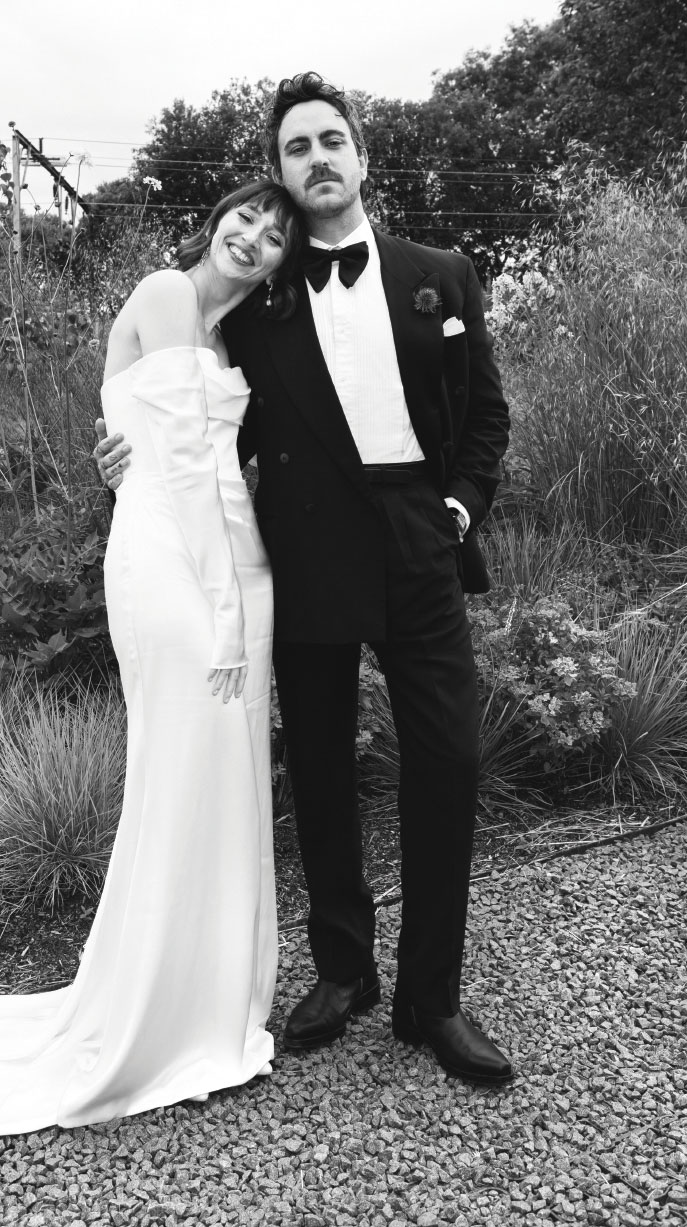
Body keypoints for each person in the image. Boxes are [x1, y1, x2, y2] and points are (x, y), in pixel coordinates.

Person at [0, 178, 306, 1141]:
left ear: (285, 257)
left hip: (239, 563)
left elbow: (186, 444)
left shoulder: (234, 338)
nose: (252, 236)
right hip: (179, 568)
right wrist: (224, 615)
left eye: (274, 235)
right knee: (177, 767)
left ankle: (211, 1002)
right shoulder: (166, 295)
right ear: (215, 220)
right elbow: (182, 468)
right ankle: (154, 1013)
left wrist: (238, 580)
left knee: (225, 776)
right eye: (243, 216)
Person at [96, 72, 513, 1085]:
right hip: (308, 538)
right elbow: (163, 369)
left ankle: (431, 997)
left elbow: (487, 413)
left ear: (361, 157)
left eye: (332, 140)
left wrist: (455, 507)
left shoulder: (441, 273)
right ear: (280, 173)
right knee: (321, 762)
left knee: (446, 758)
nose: (317, 158)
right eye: (296, 148)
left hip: (419, 532)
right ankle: (342, 970)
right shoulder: (258, 301)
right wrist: (119, 450)